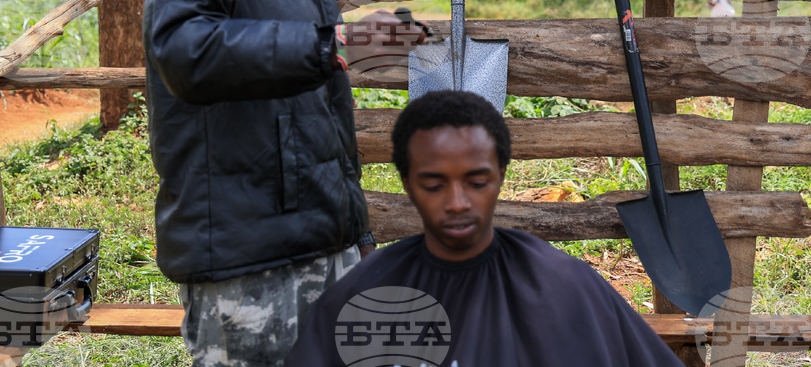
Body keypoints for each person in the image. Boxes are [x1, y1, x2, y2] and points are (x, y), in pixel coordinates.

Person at [142, 0, 426, 366]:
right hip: (247, 267)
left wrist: (359, 240)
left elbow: (322, 118)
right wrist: (332, 45)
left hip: (325, 254)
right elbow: (185, 51)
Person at [286, 90, 686, 366]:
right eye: (434, 184)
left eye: (476, 182)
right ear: (407, 183)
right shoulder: (366, 296)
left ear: (500, 176)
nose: (457, 201)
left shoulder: (564, 286)